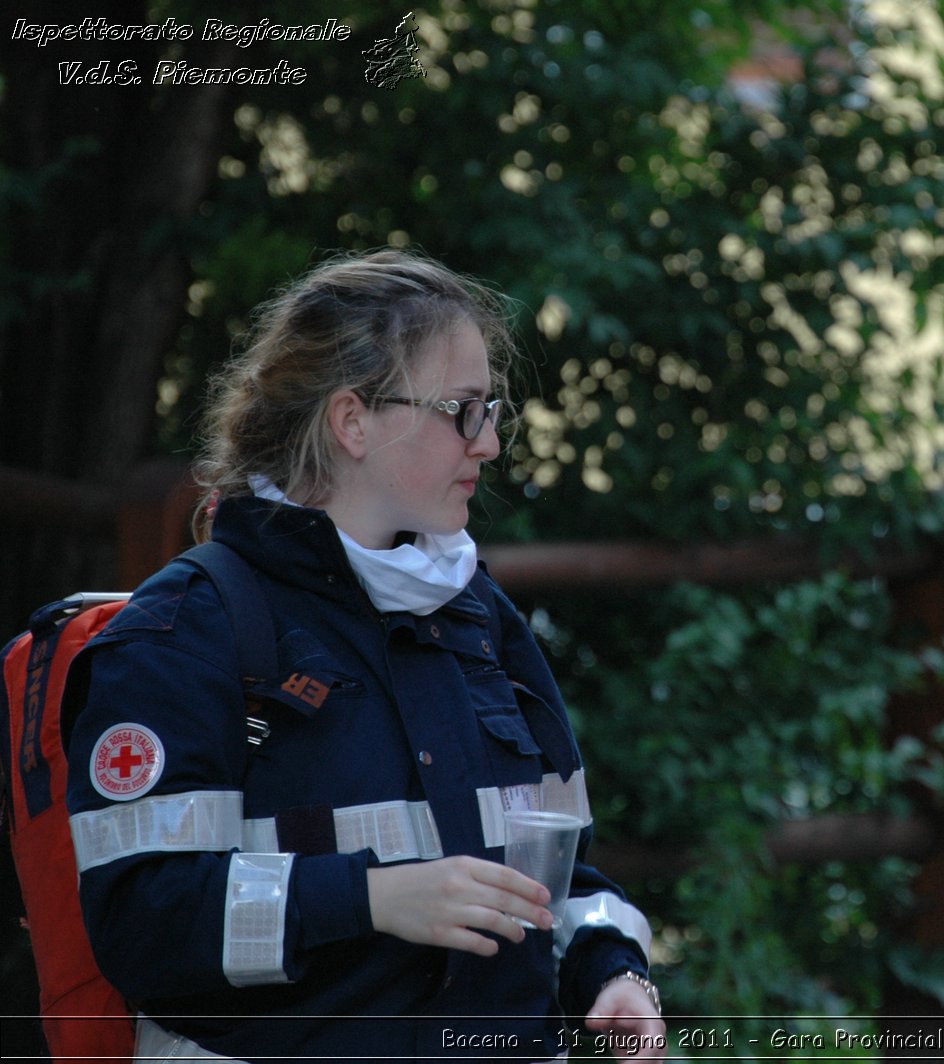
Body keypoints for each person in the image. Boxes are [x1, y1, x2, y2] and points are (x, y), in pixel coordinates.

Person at [64, 249, 665, 1062]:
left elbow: (558, 875)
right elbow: (146, 921)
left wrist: (610, 972)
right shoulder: (184, 631)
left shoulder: (479, 615)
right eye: (462, 410)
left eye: (493, 411)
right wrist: (371, 898)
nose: (487, 444)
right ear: (352, 422)